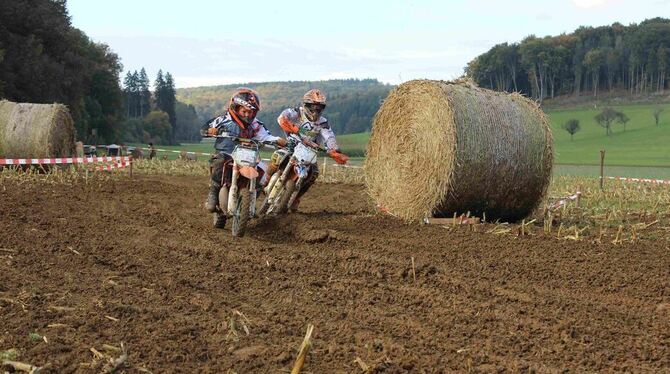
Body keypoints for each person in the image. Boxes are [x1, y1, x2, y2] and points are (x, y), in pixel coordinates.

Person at [203, 87, 286, 214]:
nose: (247, 115)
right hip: (226, 153)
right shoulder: (223, 119)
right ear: (236, 108)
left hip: (248, 155)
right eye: (244, 111)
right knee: (219, 162)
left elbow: (265, 136)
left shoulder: (256, 124)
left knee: (263, 172)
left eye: (250, 112)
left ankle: (250, 201)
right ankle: (213, 192)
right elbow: (205, 128)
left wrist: (277, 140)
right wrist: (210, 131)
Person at [270, 88, 349, 211]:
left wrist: (334, 150)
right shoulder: (296, 112)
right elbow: (282, 117)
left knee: (314, 173)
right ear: (306, 105)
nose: (315, 110)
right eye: (313, 106)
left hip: (308, 150)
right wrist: (289, 126)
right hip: (292, 144)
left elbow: (329, 136)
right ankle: (265, 180)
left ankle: (296, 197)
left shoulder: (323, 122)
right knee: (278, 156)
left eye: (319, 107)